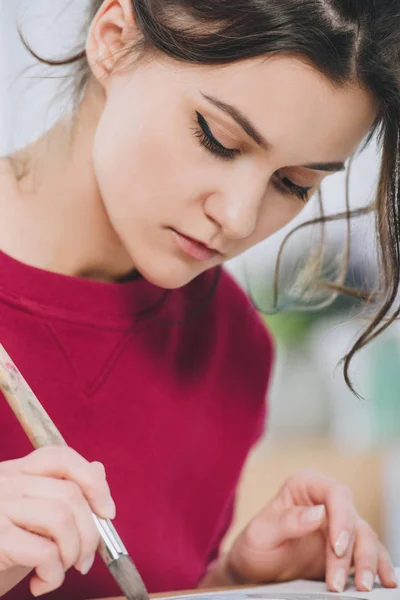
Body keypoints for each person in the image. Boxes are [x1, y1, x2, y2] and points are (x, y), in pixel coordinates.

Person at [0, 0, 399, 598]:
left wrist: (232, 583)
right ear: (112, 40)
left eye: (293, 184)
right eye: (217, 138)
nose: (237, 218)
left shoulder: (232, 348)